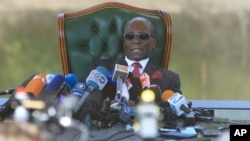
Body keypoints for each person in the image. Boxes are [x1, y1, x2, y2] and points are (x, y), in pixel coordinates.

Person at [74, 17, 182, 127]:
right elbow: (87, 102)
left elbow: (174, 114)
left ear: (153, 43)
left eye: (143, 36)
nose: (136, 41)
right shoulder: (100, 68)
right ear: (124, 42)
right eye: (130, 36)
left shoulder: (169, 78)